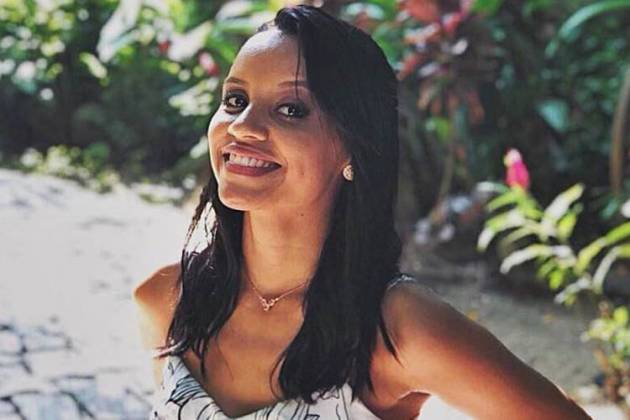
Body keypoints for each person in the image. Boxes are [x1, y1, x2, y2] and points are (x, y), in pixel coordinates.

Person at [132, 5, 591, 419]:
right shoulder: (166, 300)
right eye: (235, 100)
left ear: (352, 148)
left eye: (290, 109)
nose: (243, 127)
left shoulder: (397, 330)